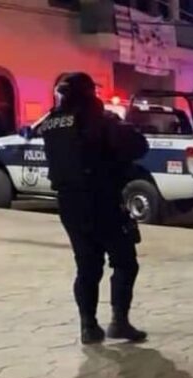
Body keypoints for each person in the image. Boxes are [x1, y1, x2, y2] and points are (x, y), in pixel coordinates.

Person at [40, 72, 149, 345]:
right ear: (88, 93)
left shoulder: (52, 121)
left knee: (87, 265)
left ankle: (88, 326)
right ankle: (119, 322)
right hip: (101, 198)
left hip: (69, 203)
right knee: (125, 261)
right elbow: (137, 146)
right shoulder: (98, 119)